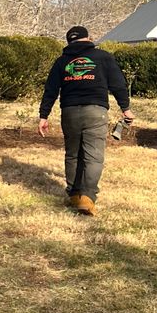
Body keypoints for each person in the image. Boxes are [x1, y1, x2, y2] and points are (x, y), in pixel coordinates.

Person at [38, 24, 133, 215]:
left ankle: (74, 195)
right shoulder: (103, 57)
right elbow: (118, 84)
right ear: (88, 38)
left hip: (69, 112)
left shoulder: (62, 61)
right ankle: (87, 198)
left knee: (72, 154)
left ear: (69, 42)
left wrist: (43, 116)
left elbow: (51, 90)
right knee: (94, 156)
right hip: (96, 111)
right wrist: (126, 109)